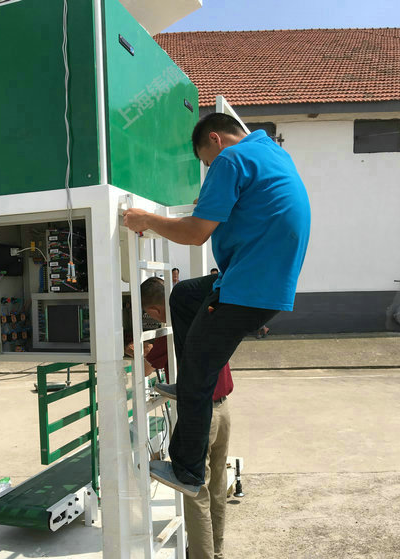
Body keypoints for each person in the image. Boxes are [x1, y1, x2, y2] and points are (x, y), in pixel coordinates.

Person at [123, 112, 310, 498]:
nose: (210, 169)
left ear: (215, 140)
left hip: (247, 288)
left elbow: (195, 234)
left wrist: (146, 219)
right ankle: (189, 381)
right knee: (185, 295)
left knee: (198, 370)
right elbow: (256, 209)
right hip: (264, 282)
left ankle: (188, 471)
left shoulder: (230, 159)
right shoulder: (271, 154)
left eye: (205, 163)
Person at [141, 276, 233, 559]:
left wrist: (131, 351)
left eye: (150, 315)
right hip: (224, 410)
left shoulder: (172, 334)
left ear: (154, 311)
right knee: (216, 485)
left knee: (194, 493)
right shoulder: (206, 315)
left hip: (202, 417)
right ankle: (215, 557)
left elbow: (144, 368)